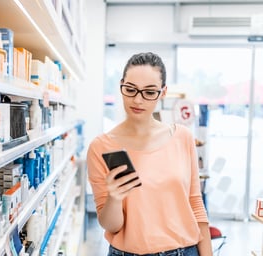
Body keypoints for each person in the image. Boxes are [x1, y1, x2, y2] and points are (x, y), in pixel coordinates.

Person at [86, 52, 213, 256]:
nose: (138, 100)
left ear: (163, 93)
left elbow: (195, 203)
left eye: (149, 92)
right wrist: (114, 198)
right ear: (121, 86)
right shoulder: (102, 146)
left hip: (184, 251)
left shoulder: (182, 137)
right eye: (130, 89)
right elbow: (111, 226)